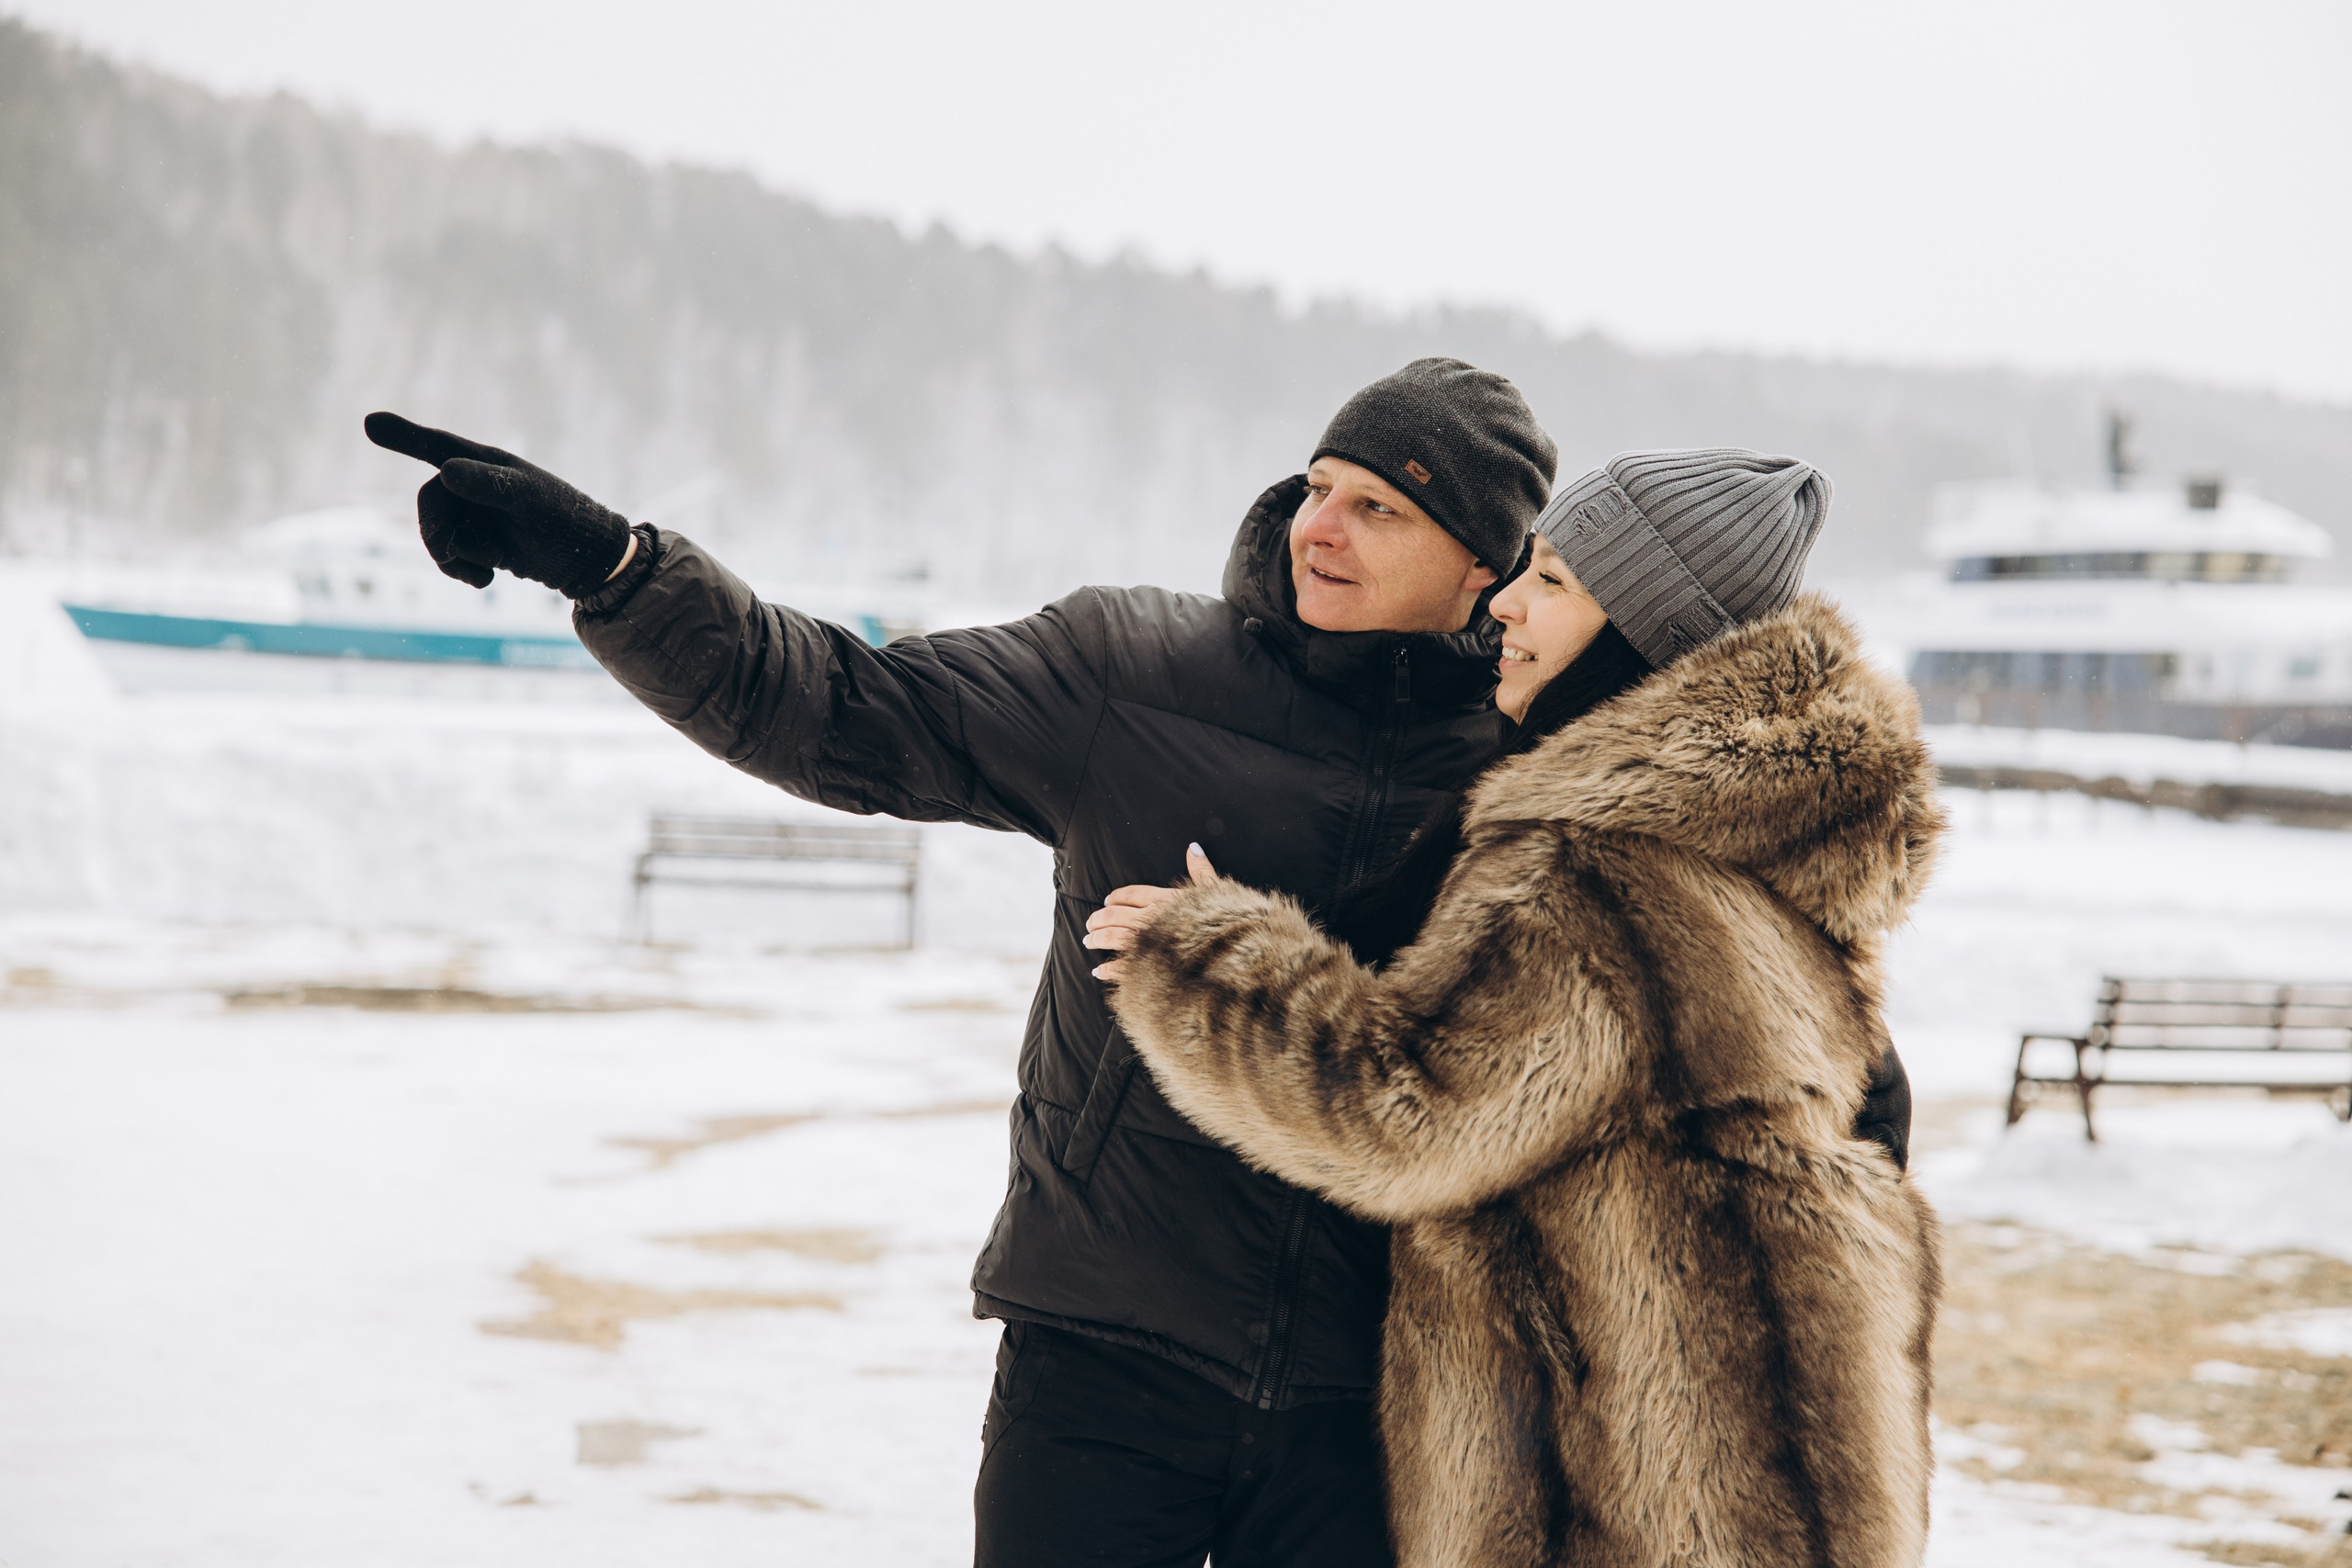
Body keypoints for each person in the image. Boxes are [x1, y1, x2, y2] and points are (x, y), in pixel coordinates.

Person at [364, 376, 1912, 1566]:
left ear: (1487, 567)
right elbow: (832, 705)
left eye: (1383, 508)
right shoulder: (1128, 671)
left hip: (1372, 1417)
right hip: (1109, 1348)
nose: (1322, 526)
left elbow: (1750, 1016)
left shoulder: (1550, 773)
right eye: (1320, 485)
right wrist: (618, 566)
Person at [1089, 451, 1943, 1567]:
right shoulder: (1760, 855)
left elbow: (1397, 1113)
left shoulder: (1582, 877)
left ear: (1636, 634)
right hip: (1775, 1487)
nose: (1503, 602)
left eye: (1550, 580)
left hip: (1619, 1503)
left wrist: (1210, 957)